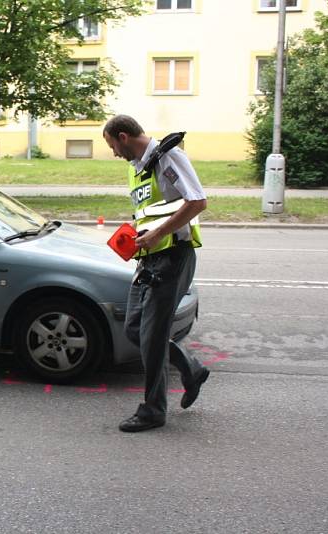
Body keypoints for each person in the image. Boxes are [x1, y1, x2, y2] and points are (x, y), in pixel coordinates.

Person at [102, 114, 210, 433]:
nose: (112, 153)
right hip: (148, 259)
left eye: (111, 145)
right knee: (135, 327)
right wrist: (134, 234)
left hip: (172, 257)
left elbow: (197, 201)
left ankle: (153, 410)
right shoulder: (139, 167)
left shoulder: (168, 156)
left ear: (123, 136)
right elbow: (153, 210)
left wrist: (157, 233)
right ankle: (191, 368)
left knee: (151, 336)